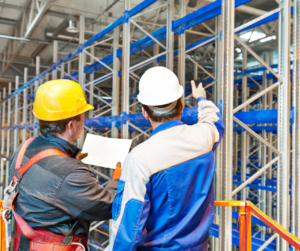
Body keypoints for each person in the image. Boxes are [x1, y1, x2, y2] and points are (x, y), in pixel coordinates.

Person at [107, 66, 224, 251]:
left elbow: (129, 232)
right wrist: (201, 98)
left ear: (144, 112)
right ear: (181, 105)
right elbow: (215, 121)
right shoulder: (204, 137)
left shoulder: (140, 158)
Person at [8, 80, 120, 250]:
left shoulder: (23, 149)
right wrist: (117, 180)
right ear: (71, 124)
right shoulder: (70, 171)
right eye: (83, 115)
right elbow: (108, 207)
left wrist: (70, 156)